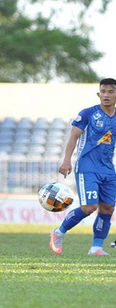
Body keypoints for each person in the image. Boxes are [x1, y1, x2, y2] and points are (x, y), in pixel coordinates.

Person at [50, 78, 116, 256]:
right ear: (98, 94)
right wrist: (66, 160)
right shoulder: (88, 114)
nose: (106, 95)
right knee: (89, 207)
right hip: (87, 167)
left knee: (108, 208)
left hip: (108, 169)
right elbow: (73, 137)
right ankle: (59, 231)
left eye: (111, 91)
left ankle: (96, 247)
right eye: (103, 91)